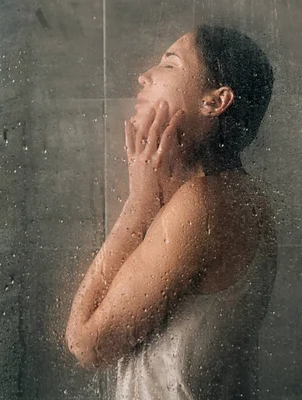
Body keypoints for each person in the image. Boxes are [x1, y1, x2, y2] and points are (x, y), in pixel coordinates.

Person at [66, 24, 277, 399]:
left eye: (169, 64)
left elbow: (88, 346)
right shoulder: (234, 194)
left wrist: (139, 204)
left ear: (214, 101)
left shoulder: (204, 205)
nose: (144, 76)